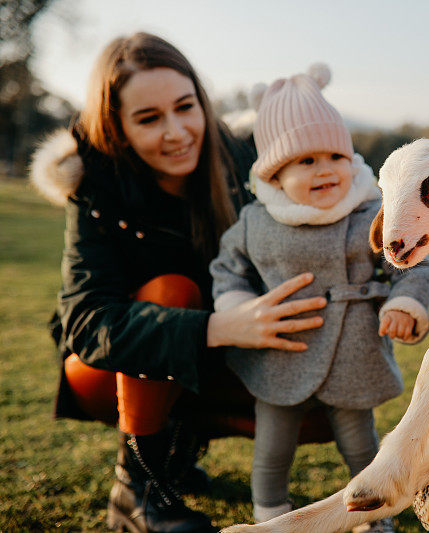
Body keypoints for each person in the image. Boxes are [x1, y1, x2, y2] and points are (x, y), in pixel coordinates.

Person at [29, 33, 330, 533]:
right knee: (170, 290)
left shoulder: (236, 161)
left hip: (206, 355)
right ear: (119, 128)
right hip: (102, 372)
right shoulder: (96, 186)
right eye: (149, 118)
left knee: (318, 408)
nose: (176, 132)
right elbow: (86, 323)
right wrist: (214, 328)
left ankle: (176, 446)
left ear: (202, 104)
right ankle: (137, 486)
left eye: (185, 107)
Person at [209, 65, 429, 532]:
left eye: (335, 155)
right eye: (305, 162)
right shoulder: (256, 221)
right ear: (275, 171)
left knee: (361, 444)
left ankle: (374, 513)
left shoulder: (370, 211)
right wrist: (237, 307)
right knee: (272, 447)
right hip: (280, 354)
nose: (325, 169)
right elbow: (227, 268)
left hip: (354, 352)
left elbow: (410, 261)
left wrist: (403, 303)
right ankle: (269, 513)